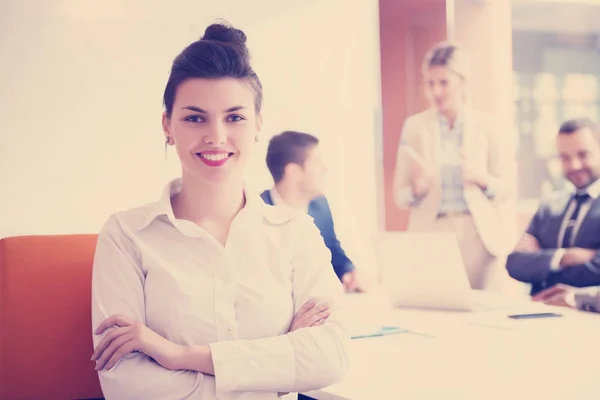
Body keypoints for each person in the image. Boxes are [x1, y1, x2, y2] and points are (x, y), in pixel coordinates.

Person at [90, 23, 349, 400]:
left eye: (235, 117)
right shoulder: (126, 234)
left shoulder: (295, 231)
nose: (216, 136)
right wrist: (279, 362)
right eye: (195, 118)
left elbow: (331, 358)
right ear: (167, 125)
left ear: (258, 124)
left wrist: (179, 355)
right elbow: (126, 384)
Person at [393, 41, 516, 291]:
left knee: (484, 312)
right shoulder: (414, 128)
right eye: (430, 83)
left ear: (462, 81)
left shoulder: (488, 127)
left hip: (479, 234)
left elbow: (506, 188)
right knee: (439, 310)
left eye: (444, 82)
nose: (436, 91)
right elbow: (399, 196)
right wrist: (417, 190)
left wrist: (482, 178)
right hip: (432, 232)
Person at [260, 131, 367, 292]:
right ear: (294, 172)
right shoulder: (256, 211)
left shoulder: (320, 206)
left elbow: (331, 248)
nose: (324, 169)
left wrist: (349, 271)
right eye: (317, 163)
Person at [507, 118, 600, 296]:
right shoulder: (549, 206)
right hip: (538, 313)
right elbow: (514, 264)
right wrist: (564, 257)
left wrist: (542, 262)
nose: (574, 165)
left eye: (583, 155)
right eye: (565, 157)